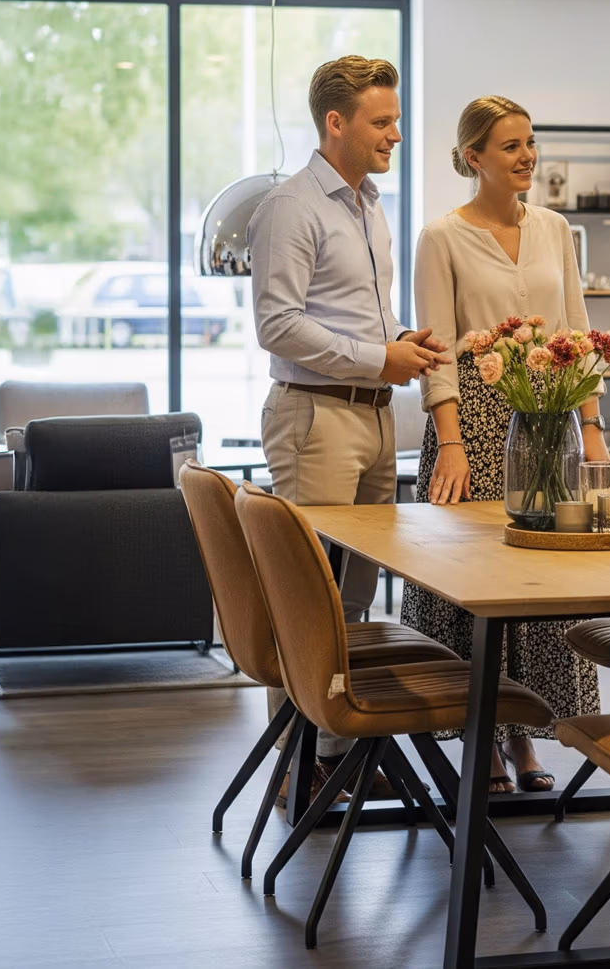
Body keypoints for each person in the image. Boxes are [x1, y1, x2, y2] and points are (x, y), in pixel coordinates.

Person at [248, 54, 451, 805]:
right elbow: (277, 325)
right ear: (335, 123)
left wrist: (406, 341)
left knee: (354, 594)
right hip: (316, 417)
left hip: (371, 419)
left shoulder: (368, 206)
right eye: (382, 121)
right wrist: (379, 354)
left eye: (395, 120)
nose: (395, 133)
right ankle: (297, 767)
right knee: (311, 596)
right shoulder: (290, 206)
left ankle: (334, 749)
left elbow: (362, 315)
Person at [405, 95, 607, 794]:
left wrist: (593, 428)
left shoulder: (556, 230)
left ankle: (529, 734)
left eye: (530, 142)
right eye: (511, 145)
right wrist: (450, 440)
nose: (527, 156)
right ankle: (481, 740)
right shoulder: (441, 236)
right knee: (475, 588)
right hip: (474, 423)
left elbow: (577, 336)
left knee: (543, 585)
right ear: (474, 158)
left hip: (549, 416)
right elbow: (433, 350)